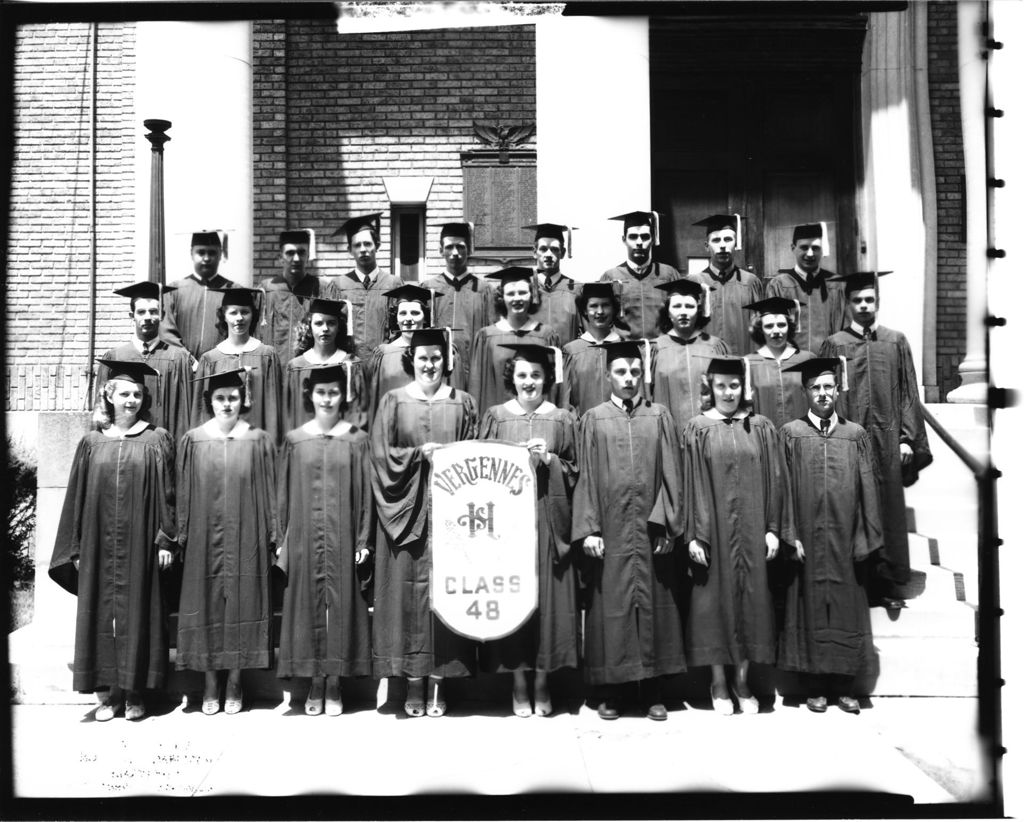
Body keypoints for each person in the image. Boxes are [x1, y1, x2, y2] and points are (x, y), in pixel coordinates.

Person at [49, 360, 176, 722]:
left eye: (137, 394)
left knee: (140, 610)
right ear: (109, 395)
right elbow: (76, 497)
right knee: (102, 614)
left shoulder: (157, 438)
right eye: (124, 393)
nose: (132, 400)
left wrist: (167, 540)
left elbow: (169, 494)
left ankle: (135, 693)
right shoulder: (91, 443)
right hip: (98, 544)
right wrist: (74, 547)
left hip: (141, 541)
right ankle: (108, 694)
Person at [572, 340, 686, 721]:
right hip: (611, 529)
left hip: (651, 533)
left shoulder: (660, 416)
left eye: (635, 372)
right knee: (612, 608)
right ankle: (611, 690)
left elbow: (672, 474)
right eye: (621, 372)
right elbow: (585, 477)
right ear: (608, 375)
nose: (628, 378)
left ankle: (652, 689)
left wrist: (668, 524)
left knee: (653, 606)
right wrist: (588, 528)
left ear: (643, 374)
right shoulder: (593, 419)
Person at [370, 328, 478, 718]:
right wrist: (418, 455)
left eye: (436, 357)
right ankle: (413, 683)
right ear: (411, 360)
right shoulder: (393, 402)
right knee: (407, 597)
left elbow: (476, 456)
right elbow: (381, 456)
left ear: (446, 361)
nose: (430, 364)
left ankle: (439, 682)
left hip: (450, 517)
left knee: (445, 595)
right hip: (407, 514)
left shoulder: (463, 402)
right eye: (423, 357)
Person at [681, 356, 791, 716]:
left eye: (733, 385)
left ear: (744, 388)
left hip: (752, 531)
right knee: (713, 604)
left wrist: (774, 528)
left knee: (750, 604)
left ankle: (742, 680)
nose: (727, 392)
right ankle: (717, 681)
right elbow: (690, 483)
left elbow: (776, 480)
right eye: (720, 385)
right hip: (712, 533)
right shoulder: (697, 428)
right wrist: (695, 535)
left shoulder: (760, 427)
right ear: (709, 388)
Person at [819, 271, 932, 609]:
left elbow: (909, 393)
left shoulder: (895, 341)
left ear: (878, 303)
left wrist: (908, 438)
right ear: (849, 304)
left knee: (886, 507)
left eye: (870, 300)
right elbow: (824, 394)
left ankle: (886, 583)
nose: (864, 305)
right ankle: (854, 583)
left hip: (886, 442)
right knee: (849, 506)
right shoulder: (835, 344)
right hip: (848, 441)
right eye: (858, 300)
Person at [778, 357, 883, 714]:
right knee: (809, 607)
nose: (822, 394)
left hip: (844, 539)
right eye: (815, 388)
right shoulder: (791, 433)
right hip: (806, 538)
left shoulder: (855, 435)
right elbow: (782, 489)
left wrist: (864, 537)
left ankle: (845, 688)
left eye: (828, 387)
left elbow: (868, 488)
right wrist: (790, 533)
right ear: (805, 391)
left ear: (837, 390)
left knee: (845, 609)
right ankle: (815, 687)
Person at [479, 344, 579, 717]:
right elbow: (482, 470)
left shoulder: (563, 419)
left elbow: (576, 470)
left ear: (546, 379)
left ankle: (541, 682)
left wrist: (550, 459)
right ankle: (519, 683)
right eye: (522, 375)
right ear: (512, 379)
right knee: (515, 602)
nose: (529, 382)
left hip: (549, 521)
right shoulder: (496, 417)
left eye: (536, 375)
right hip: (509, 526)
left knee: (547, 604)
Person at [176, 368, 278, 715]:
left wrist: (274, 534)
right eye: (219, 398)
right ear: (209, 402)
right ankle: (209, 683)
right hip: (203, 538)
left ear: (243, 400)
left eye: (233, 397)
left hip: (247, 534)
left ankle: (235, 680)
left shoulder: (258, 439)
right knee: (205, 604)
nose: (226, 403)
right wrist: (181, 535)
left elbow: (270, 491)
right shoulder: (193, 440)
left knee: (242, 605)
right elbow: (184, 492)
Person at [276, 363, 374, 717]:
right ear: (311, 396)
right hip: (303, 535)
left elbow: (365, 495)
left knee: (342, 606)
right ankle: (314, 679)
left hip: (344, 534)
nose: (327, 398)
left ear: (342, 396)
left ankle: (334, 681)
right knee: (307, 607)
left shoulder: (358, 439)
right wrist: (280, 538)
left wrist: (364, 539)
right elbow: (282, 493)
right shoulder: (295, 439)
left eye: (333, 392)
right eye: (321, 392)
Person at [97, 281, 192, 440]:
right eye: (141, 312)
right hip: (122, 448)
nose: (147, 317)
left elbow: (185, 415)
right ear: (131, 316)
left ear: (161, 315)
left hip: (164, 449)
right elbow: (102, 411)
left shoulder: (178, 358)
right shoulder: (114, 358)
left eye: (153, 311)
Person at [190, 287, 281, 441]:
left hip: (256, 443)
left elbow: (274, 407)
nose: (239, 318)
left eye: (245, 312)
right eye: (233, 312)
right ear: (224, 316)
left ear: (253, 315)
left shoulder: (267, 355)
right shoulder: (210, 359)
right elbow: (202, 411)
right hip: (219, 444)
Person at [468, 266, 561, 415]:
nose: (517, 298)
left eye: (523, 292)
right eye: (511, 293)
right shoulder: (486, 337)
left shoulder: (546, 335)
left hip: (539, 421)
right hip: (498, 421)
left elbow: (555, 388)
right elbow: (476, 387)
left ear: (532, 295)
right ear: (501, 297)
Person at [365, 284, 464, 426]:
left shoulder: (445, 353)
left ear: (426, 317)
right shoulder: (383, 354)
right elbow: (374, 402)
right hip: (395, 427)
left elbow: (456, 399)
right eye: (403, 313)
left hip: (436, 425)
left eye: (415, 313)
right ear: (396, 317)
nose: (409, 319)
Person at [649, 278, 729, 437]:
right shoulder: (654, 349)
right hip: (669, 437)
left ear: (698, 310)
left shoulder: (715, 347)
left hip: (711, 435)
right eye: (677, 306)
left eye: (690, 306)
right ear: (668, 311)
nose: (683, 312)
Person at [420, 222, 492, 388]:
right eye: (449, 247)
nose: (455, 253)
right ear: (440, 250)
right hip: (436, 372)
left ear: (469, 250)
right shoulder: (428, 289)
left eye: (460, 247)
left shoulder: (484, 290)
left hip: (474, 374)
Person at [280, 297, 366, 433]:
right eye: (318, 323)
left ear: (339, 327)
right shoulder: (296, 367)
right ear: (309, 327)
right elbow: (288, 415)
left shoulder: (352, 365)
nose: (325, 329)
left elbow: (358, 413)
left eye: (331, 323)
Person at [260, 228, 341, 366]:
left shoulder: (323, 288)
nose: (296, 258)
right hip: (273, 368)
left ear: (308, 256)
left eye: (301, 252)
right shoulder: (266, 290)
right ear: (280, 258)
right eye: (290, 253)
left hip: (310, 368)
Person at [686, 214, 764, 355]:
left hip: (742, 360)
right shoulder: (694, 283)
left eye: (728, 239)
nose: (722, 245)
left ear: (736, 243)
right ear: (706, 246)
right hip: (706, 362)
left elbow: (760, 328)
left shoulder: (750, 282)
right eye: (716, 240)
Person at [331, 212, 404, 362]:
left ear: (377, 246)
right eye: (357, 245)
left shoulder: (393, 284)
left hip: (385, 364)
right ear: (349, 250)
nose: (363, 249)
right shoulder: (338, 285)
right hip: (348, 366)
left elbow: (400, 331)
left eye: (368, 244)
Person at [600, 210, 682, 341]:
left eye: (645, 236)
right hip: (625, 354)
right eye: (633, 237)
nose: (639, 242)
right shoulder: (610, 277)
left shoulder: (668, 274)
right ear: (624, 240)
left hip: (661, 351)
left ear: (653, 239)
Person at [766, 223, 846, 355]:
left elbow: (844, 332)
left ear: (822, 250)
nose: (810, 254)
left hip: (827, 366)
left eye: (815, 248)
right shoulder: (779, 285)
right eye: (804, 247)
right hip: (790, 365)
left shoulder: (836, 285)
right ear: (793, 248)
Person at [160, 229, 237, 361]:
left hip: (221, 366)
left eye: (212, 253)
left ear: (220, 254)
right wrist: (188, 360)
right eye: (201, 253)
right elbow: (166, 331)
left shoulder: (233, 290)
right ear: (191, 254)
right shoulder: (174, 290)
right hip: (183, 367)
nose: (206, 258)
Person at [742, 296, 815, 430]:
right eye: (769, 326)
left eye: (781, 325)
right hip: (765, 438)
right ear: (760, 329)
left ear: (790, 326)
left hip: (803, 436)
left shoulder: (807, 359)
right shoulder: (749, 363)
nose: (776, 331)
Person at [560, 282, 627, 417]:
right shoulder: (571, 352)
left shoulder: (625, 347)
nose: (600, 312)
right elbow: (566, 400)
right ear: (584, 310)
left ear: (614, 309)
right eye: (593, 306)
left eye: (605, 305)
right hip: (583, 430)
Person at [523, 222, 580, 347]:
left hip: (566, 361)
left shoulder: (576, 289)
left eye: (554, 249)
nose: (548, 255)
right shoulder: (523, 289)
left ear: (563, 252)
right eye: (543, 249)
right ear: (534, 252)